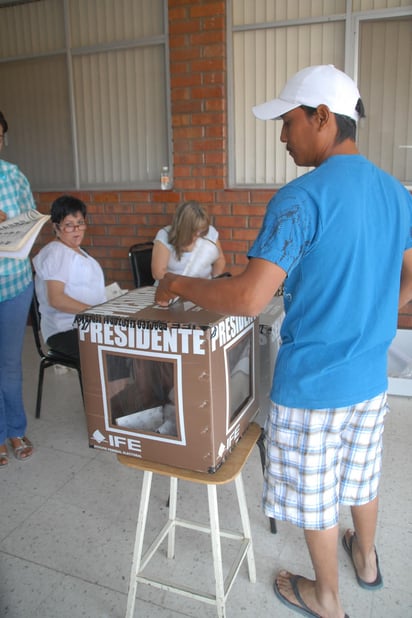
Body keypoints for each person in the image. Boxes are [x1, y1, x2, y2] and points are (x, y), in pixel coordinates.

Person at [155, 65, 412, 618]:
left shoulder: (300, 199)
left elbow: (249, 298)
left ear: (323, 118)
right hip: (369, 376)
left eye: (288, 121)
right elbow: (411, 273)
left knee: (319, 496)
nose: (281, 136)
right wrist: (372, 313)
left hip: (315, 383)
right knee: (361, 476)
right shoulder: (395, 192)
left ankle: (326, 600)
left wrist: (175, 282)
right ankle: (366, 562)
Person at [0, 110, 36, 466]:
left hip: (13, 284)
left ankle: (15, 428)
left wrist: (16, 227)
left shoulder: (13, 176)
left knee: (10, 364)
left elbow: (29, 221)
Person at [33, 195, 106, 360]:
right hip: (64, 329)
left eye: (80, 223)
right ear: (56, 227)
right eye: (69, 225)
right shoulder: (56, 252)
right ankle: (112, 386)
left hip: (88, 325)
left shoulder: (78, 251)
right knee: (114, 351)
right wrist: (95, 312)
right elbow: (56, 299)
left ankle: (121, 386)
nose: (76, 230)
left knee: (129, 342)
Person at [151, 200, 226, 281]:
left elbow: (219, 259)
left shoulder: (210, 232)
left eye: (201, 230)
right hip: (172, 288)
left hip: (204, 287)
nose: (198, 234)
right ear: (183, 228)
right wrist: (186, 287)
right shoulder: (164, 235)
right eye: (194, 230)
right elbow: (158, 273)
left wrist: (215, 279)